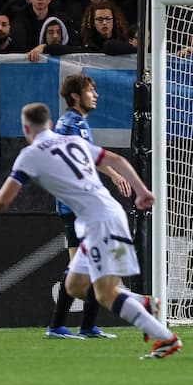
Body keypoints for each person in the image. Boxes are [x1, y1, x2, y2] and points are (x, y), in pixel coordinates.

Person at [0, 102, 182, 359]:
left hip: (100, 221)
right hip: (101, 217)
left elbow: (5, 198)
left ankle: (166, 338)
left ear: (26, 129)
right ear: (49, 124)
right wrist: (142, 191)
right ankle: (141, 304)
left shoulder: (31, 154)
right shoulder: (72, 142)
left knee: (105, 293)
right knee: (74, 284)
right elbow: (116, 159)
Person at [44, 73, 132, 339]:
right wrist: (115, 175)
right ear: (75, 96)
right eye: (91, 91)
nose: (96, 95)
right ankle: (65, 325)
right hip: (78, 206)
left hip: (73, 204)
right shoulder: (73, 124)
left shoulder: (72, 122)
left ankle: (79, 325)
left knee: (86, 265)